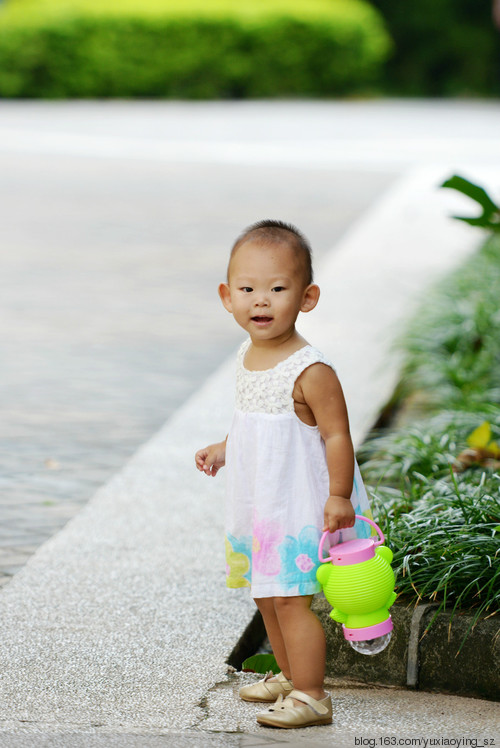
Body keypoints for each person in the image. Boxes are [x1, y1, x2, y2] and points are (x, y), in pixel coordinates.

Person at [195, 219, 372, 729]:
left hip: (299, 506)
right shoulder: (247, 355)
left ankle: (313, 696)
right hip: (261, 503)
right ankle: (291, 674)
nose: (262, 301)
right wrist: (226, 447)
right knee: (266, 594)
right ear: (228, 297)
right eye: (248, 289)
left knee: (292, 600)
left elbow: (336, 436)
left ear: (307, 297)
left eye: (278, 289)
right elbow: (259, 425)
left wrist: (339, 496)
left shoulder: (311, 370)